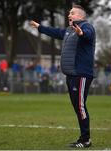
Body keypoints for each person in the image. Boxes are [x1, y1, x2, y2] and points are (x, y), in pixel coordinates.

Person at [30, 4, 95, 148]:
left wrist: (81, 34)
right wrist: (39, 27)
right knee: (77, 107)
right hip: (71, 74)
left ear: (80, 16)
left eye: (72, 13)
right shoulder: (67, 31)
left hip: (81, 74)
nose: (69, 15)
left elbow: (87, 34)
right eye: (69, 13)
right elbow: (54, 31)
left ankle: (86, 140)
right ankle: (83, 138)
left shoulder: (87, 26)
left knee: (80, 106)